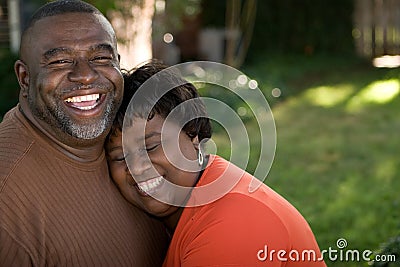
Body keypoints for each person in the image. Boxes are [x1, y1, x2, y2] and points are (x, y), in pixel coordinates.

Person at [106, 62, 327, 266]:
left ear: (193, 135)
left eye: (152, 146)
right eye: (120, 157)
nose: (137, 166)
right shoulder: (190, 203)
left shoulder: (234, 223)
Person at [0, 1, 168, 266]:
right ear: (25, 78)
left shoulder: (126, 135)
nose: (86, 76)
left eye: (101, 58)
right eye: (60, 61)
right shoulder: (8, 205)